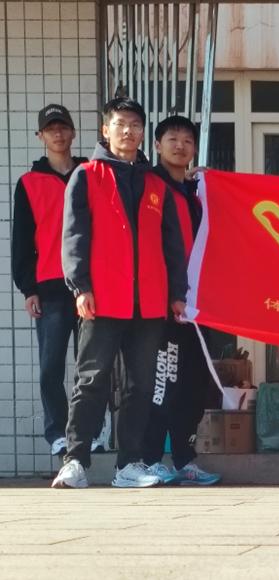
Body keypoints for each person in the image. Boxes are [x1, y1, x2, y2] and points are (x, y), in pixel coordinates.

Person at [51, 97, 188, 489]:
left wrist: (177, 293)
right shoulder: (86, 176)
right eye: (121, 124)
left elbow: (172, 245)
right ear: (105, 130)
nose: (129, 131)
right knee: (91, 381)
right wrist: (80, 286)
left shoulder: (156, 184)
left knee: (141, 386)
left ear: (143, 133)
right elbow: (74, 236)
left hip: (149, 303)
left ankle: (129, 465)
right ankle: (75, 461)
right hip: (102, 299)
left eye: (135, 125)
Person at [12, 104, 111, 456]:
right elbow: (22, 240)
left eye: (63, 127)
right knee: (50, 368)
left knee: (93, 368)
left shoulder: (91, 174)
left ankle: (93, 433)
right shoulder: (28, 183)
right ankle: (57, 433)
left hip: (91, 286)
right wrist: (28, 288)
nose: (57, 133)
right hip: (50, 287)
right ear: (41, 136)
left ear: (72, 132)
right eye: (50, 128)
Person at [142, 115, 220, 486]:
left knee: (194, 385)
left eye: (188, 140)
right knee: (164, 383)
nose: (180, 145)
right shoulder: (148, 186)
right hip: (164, 306)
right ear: (157, 145)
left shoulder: (195, 192)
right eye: (172, 138)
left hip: (199, 304)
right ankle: (150, 459)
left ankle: (185, 458)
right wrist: (171, 294)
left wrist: (211, 186)